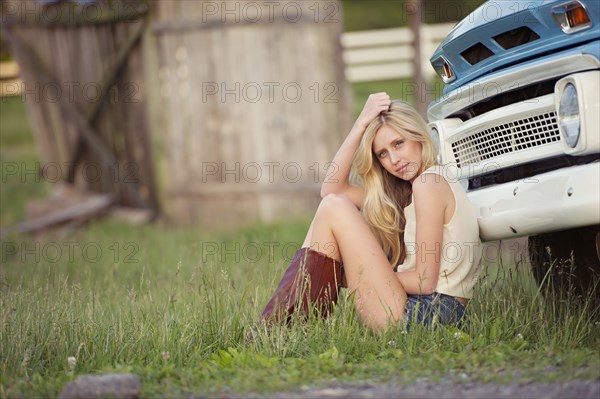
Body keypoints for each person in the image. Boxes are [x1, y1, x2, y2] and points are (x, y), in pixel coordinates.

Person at [261, 92, 482, 331]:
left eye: (399, 143)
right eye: (383, 153)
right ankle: (287, 326)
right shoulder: (414, 191)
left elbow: (425, 281)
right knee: (332, 205)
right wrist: (361, 123)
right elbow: (332, 189)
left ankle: (279, 326)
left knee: (334, 208)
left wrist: (358, 276)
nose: (394, 159)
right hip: (427, 309)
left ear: (418, 137)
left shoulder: (429, 183)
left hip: (432, 314)